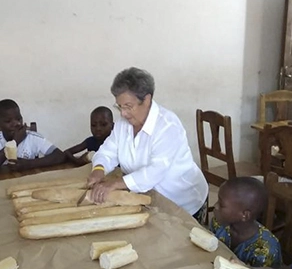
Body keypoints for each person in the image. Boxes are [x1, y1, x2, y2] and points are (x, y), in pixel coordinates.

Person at [87, 68, 209, 222]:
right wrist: (99, 169)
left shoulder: (167, 126)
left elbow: (154, 172)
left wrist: (115, 184)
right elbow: (107, 151)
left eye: (128, 106)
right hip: (149, 198)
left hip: (183, 202)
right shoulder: (122, 124)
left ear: (146, 100)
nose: (123, 113)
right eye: (119, 107)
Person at [209, 177, 281, 268]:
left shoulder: (265, 250)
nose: (215, 206)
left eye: (221, 204)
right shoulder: (219, 224)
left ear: (245, 215)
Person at [0, 99, 66, 173]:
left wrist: (29, 164)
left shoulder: (32, 137)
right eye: (8, 121)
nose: (16, 124)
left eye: (18, 119)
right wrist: (15, 142)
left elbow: (59, 156)